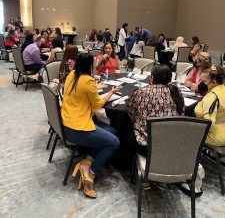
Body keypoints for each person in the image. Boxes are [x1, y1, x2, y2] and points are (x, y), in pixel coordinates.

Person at [61, 53, 121, 198]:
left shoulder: (72, 75)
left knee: (112, 131)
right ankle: (91, 172)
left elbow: (81, 89)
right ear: (89, 65)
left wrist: (95, 85)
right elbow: (98, 104)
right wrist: (111, 92)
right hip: (77, 129)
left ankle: (87, 160)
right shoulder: (87, 81)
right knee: (114, 142)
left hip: (67, 123)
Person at [127, 64, 184, 156]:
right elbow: (181, 111)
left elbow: (131, 112)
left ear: (152, 77)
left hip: (148, 146)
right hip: (173, 143)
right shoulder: (176, 91)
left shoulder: (141, 91)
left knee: (127, 129)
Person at [195, 65, 225, 146]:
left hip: (217, 136)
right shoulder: (223, 89)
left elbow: (209, 123)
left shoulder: (212, 97)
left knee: (186, 131)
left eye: (204, 82)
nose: (201, 84)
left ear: (214, 82)